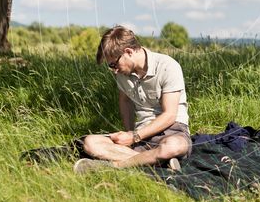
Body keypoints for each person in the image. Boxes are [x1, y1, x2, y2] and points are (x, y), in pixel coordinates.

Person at [73, 25, 192, 174]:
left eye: (113, 64)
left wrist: (133, 137)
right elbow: (125, 101)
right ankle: (157, 162)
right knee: (90, 142)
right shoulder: (122, 74)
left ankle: (115, 166)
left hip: (173, 130)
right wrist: (129, 133)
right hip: (141, 136)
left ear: (128, 52)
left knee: (175, 146)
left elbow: (170, 115)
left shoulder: (168, 66)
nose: (114, 70)